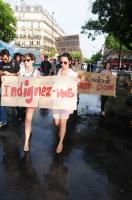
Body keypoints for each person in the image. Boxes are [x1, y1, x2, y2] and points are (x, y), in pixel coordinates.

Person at [53, 52, 78, 154]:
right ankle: (60, 131)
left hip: (67, 102)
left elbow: (77, 85)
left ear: (70, 62)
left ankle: (61, 143)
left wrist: (78, 81)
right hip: (57, 100)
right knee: (57, 122)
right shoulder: (59, 71)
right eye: (61, 62)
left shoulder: (73, 74)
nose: (63, 64)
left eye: (65, 62)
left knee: (63, 123)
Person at [18, 53, 40, 152]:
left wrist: (40, 80)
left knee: (28, 119)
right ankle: (29, 130)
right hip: (21, 98)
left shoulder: (36, 72)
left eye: (28, 60)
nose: (26, 62)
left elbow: (42, 84)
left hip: (31, 98)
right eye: (25, 60)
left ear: (32, 61)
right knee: (25, 118)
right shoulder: (21, 70)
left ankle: (26, 142)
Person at [0, 49, 20, 127]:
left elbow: (19, 75)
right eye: (2, 59)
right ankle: (3, 120)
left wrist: (9, 74)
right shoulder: (1, 63)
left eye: (5, 59)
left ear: (9, 56)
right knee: (2, 102)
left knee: (16, 103)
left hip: (14, 87)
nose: (3, 60)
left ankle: (20, 115)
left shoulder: (15, 63)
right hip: (4, 86)